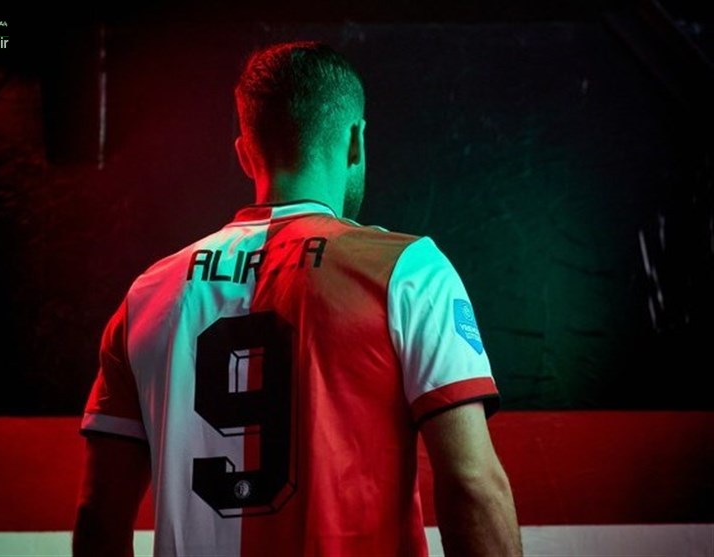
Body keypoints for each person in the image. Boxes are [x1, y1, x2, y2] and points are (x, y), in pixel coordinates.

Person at [73, 41, 521, 557]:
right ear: (355, 142)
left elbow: (98, 520)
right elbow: (471, 484)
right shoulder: (409, 272)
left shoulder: (148, 294)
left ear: (245, 154)